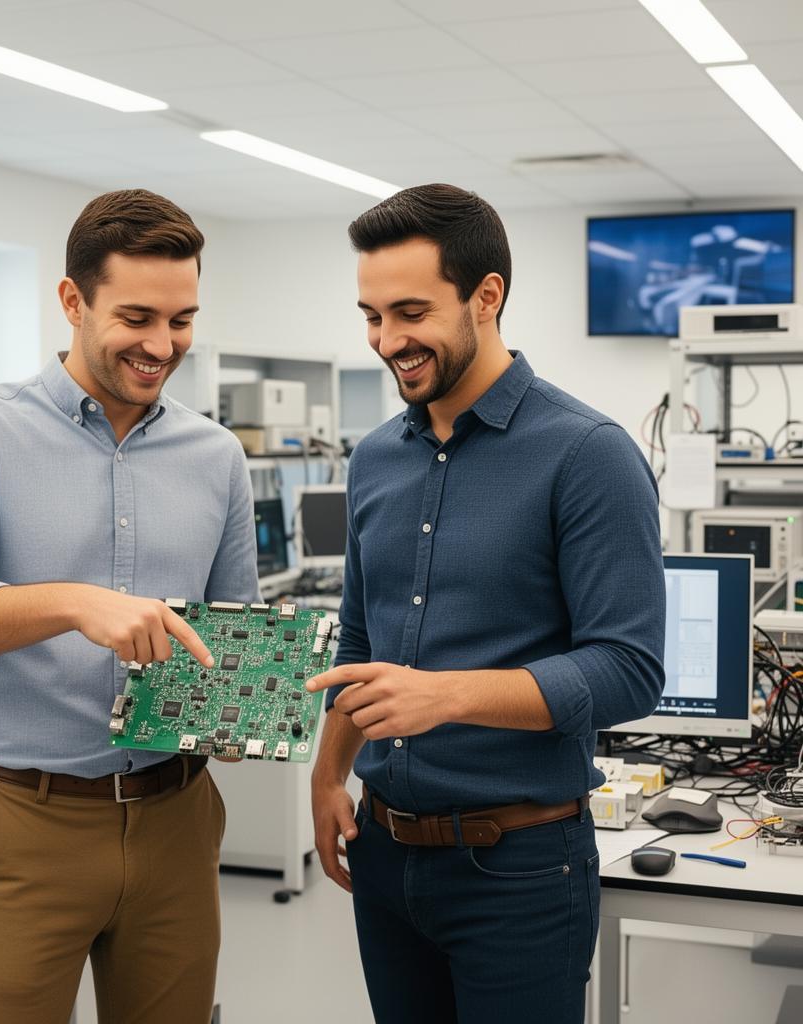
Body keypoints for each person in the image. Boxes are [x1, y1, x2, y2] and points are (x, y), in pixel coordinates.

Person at [0, 189, 258, 1024]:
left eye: (182, 319)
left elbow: (236, 622)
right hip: (30, 821)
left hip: (178, 820)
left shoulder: (216, 455)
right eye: (137, 317)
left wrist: (243, 706)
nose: (163, 346)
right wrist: (75, 605)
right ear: (72, 300)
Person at [307, 183, 665, 1024]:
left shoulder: (587, 454)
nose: (388, 341)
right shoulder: (374, 463)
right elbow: (359, 638)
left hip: (522, 868)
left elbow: (629, 668)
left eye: (409, 312)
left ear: (487, 296)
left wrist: (447, 694)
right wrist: (328, 776)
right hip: (385, 857)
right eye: (370, 315)